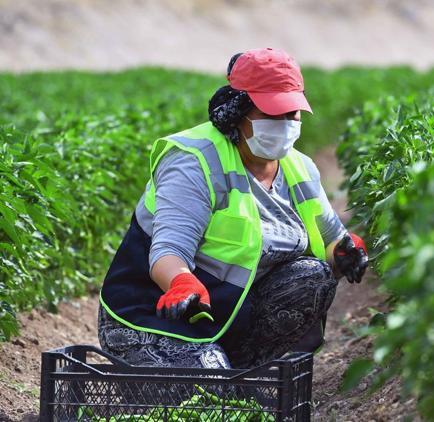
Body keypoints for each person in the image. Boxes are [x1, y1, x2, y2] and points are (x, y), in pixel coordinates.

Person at [97, 48, 369, 370]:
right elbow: (169, 252)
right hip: (154, 314)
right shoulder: (195, 162)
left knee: (314, 276)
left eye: (291, 114)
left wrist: (345, 253)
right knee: (206, 389)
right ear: (238, 112)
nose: (283, 125)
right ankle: (196, 367)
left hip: (228, 315)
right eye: (271, 114)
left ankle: (237, 369)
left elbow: (331, 241)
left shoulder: (299, 168)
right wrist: (181, 281)